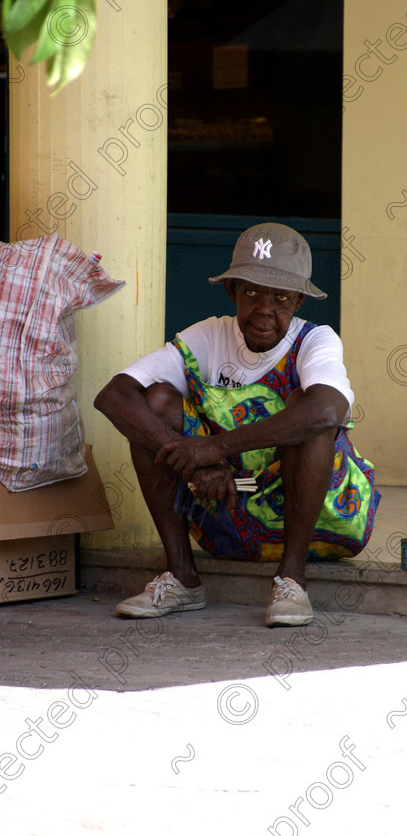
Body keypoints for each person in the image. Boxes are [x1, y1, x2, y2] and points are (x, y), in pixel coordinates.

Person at [94, 223, 380, 627]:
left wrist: (216, 448)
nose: (265, 308)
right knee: (153, 402)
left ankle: (292, 581)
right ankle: (182, 578)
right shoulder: (209, 336)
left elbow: (328, 410)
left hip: (321, 524)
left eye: (281, 297)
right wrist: (195, 461)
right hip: (226, 514)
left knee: (308, 411)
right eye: (251, 293)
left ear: (299, 300)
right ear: (232, 293)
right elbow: (114, 395)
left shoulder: (316, 341)